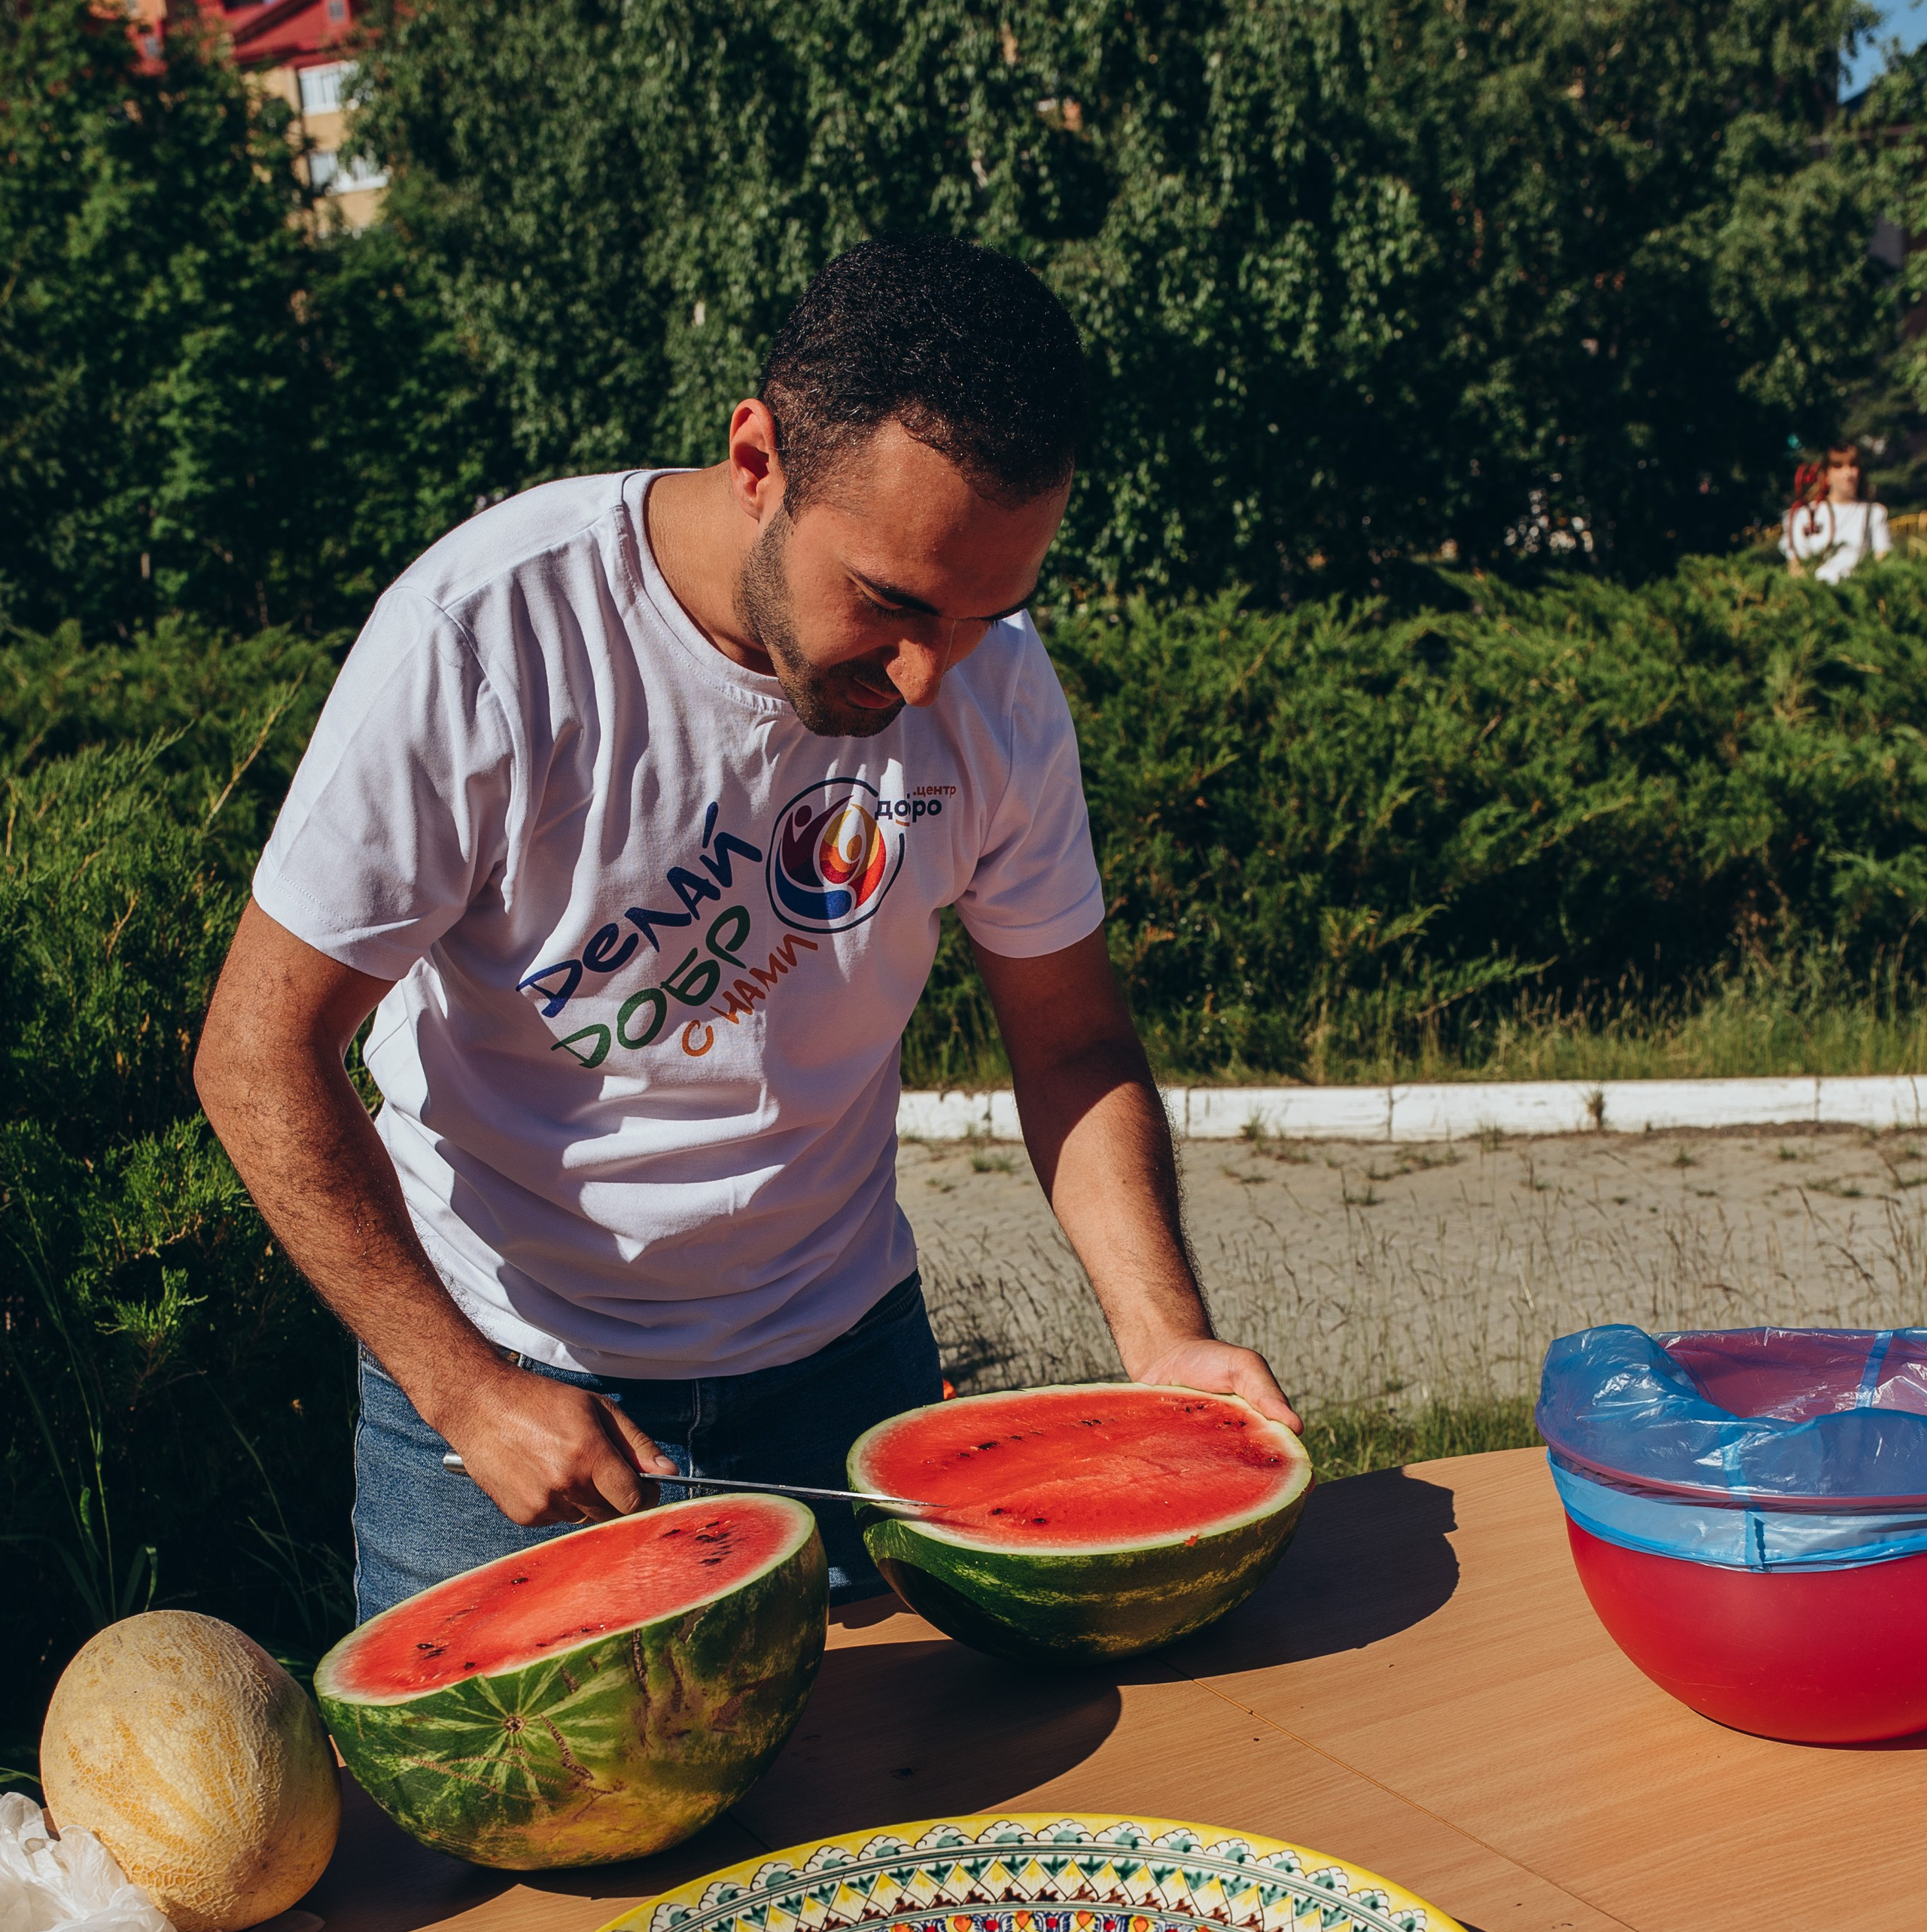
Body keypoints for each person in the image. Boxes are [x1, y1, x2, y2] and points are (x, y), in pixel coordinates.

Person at [195, 236, 1299, 1621]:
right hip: (497, 1388)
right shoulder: (488, 638)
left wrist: (1164, 1337)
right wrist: (466, 1387)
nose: (926, 672)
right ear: (759, 456)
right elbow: (255, 1054)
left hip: (850, 1376)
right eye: (890, 600)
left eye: (988, 612)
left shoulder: (994, 687)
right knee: (511, 1834)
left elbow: (1073, 1043)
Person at [1781, 444, 1892, 585]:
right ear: (1826, 475)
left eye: (1852, 465)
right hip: (1817, 593)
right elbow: (1796, 566)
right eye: (1838, 466)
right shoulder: (1805, 514)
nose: (1848, 473)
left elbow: (1883, 560)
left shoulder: (1874, 513)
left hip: (1858, 591)